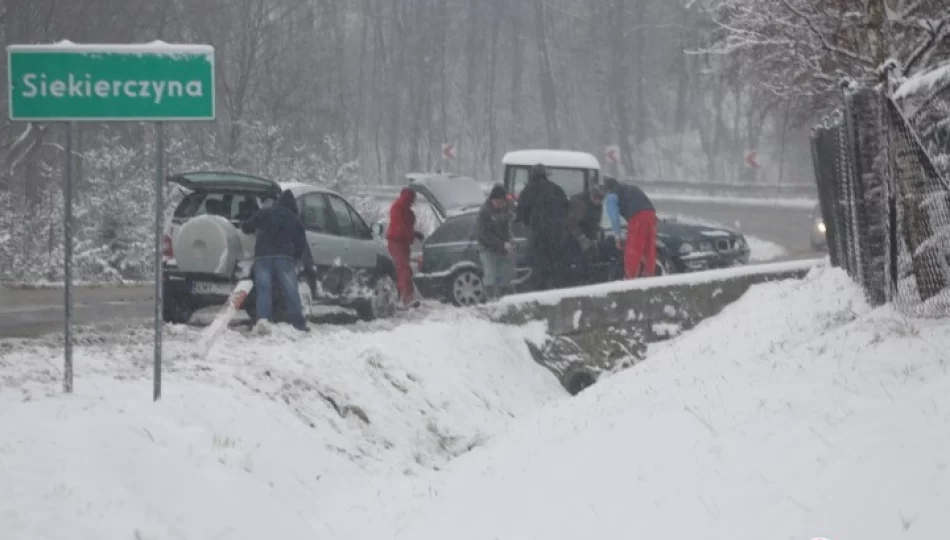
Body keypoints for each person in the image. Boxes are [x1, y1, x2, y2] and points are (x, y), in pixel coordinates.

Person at [241, 189, 309, 332]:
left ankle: (263, 320)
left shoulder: (265, 212)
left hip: (262, 257)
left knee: (263, 289)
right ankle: (298, 322)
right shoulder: (293, 218)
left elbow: (246, 227)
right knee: (291, 290)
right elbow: (301, 242)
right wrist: (295, 257)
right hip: (284, 258)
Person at [515, 164, 571, 290]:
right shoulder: (556, 189)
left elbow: (521, 213)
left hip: (537, 235)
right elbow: (566, 208)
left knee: (538, 268)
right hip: (557, 234)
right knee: (555, 265)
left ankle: (541, 292)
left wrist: (530, 223)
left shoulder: (528, 190)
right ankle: (556, 289)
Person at [603, 176, 657, 279]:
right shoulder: (631, 188)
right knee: (649, 249)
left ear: (607, 189)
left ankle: (630, 278)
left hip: (637, 218)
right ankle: (649, 275)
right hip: (651, 215)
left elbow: (614, 218)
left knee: (633, 249)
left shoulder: (612, 195)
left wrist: (618, 237)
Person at [476, 184, 516, 300]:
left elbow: (509, 224)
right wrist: (501, 244)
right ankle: (489, 299)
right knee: (491, 274)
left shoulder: (505, 209)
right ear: (493, 199)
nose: (499, 204)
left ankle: (504, 298)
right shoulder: (485, 212)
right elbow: (485, 235)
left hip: (502, 248)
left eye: (502, 201)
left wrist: (509, 241)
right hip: (487, 248)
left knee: (506, 274)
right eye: (497, 201)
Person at [386, 187, 424, 308]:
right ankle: (407, 298)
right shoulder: (399, 209)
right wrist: (414, 234)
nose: (413, 202)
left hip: (402, 243)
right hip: (397, 243)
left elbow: (404, 228)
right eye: (412, 199)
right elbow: (402, 229)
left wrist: (413, 234)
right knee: (403, 270)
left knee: (401, 270)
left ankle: (398, 298)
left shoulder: (402, 209)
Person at [566, 184, 605, 284]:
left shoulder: (598, 205)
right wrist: (582, 238)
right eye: (596, 197)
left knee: (589, 261)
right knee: (577, 261)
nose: (598, 200)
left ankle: (587, 280)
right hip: (571, 236)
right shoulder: (578, 202)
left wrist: (594, 237)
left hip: (588, 236)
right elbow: (570, 223)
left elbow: (595, 222)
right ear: (591, 194)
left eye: (601, 198)